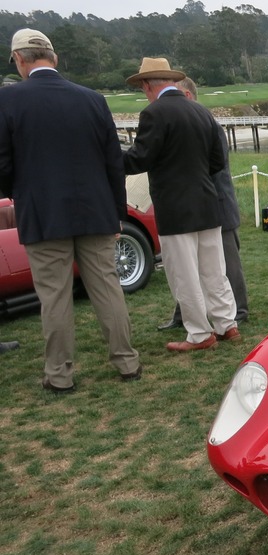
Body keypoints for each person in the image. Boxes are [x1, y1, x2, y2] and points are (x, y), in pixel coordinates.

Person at [0, 28, 142, 393]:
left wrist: (18, 193)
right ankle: (127, 361)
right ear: (54, 57)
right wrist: (115, 213)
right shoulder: (92, 99)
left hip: (43, 214)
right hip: (95, 211)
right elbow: (113, 161)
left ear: (18, 60)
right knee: (107, 288)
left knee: (54, 296)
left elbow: (3, 165)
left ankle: (60, 374)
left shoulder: (9, 100)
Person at [122, 57, 240, 352]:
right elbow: (216, 161)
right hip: (207, 202)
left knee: (184, 274)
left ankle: (200, 334)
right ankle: (227, 323)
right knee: (214, 270)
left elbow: (139, 159)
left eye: (142, 87)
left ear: (148, 84)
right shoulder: (201, 112)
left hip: (175, 207)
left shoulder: (153, 113)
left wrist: (110, 156)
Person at [157, 76, 249, 330]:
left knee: (226, 263)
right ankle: (182, 315)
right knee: (185, 263)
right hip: (195, 203)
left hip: (216, 201)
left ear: (187, 96)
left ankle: (238, 310)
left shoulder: (208, 124)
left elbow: (214, 166)